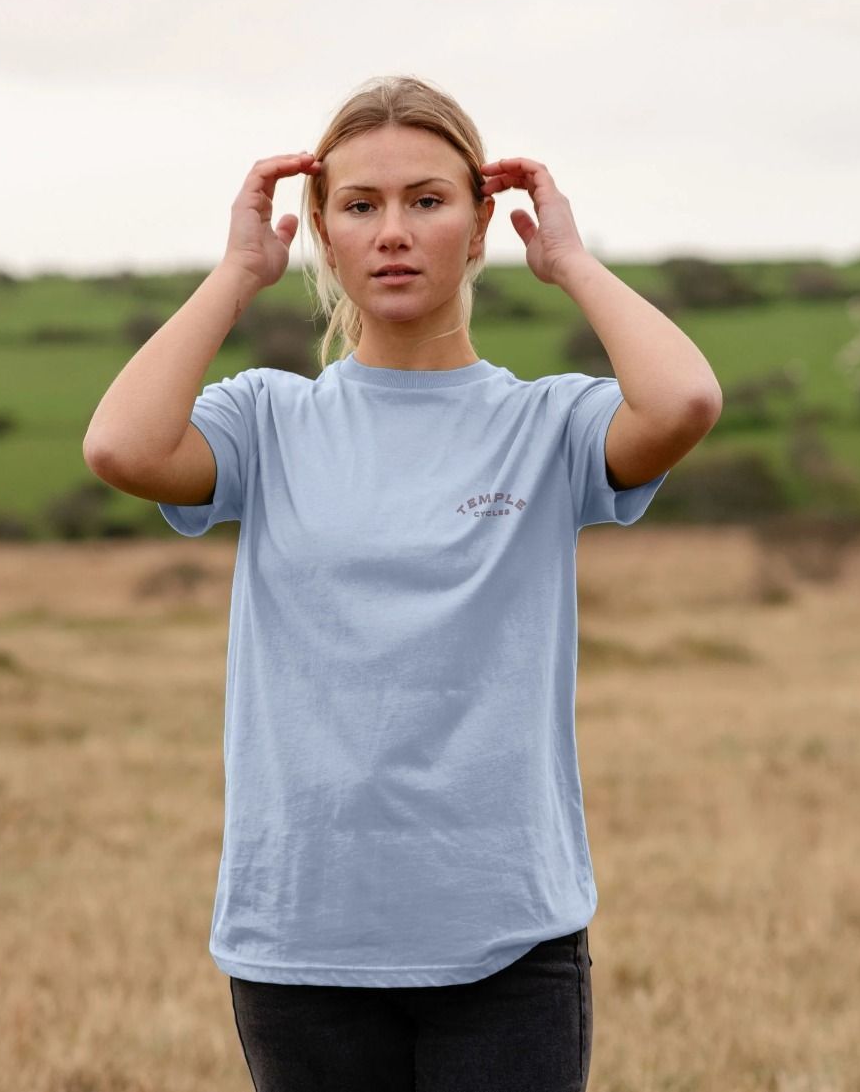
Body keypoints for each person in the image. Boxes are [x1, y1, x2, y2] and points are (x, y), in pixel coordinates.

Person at [83, 75, 722, 1092]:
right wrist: (239, 270)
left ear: (479, 228)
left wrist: (568, 259)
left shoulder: (549, 426)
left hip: (508, 942)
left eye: (428, 201)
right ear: (322, 233)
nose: (393, 231)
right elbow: (119, 445)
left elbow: (685, 397)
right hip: (300, 937)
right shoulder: (268, 421)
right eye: (360, 205)